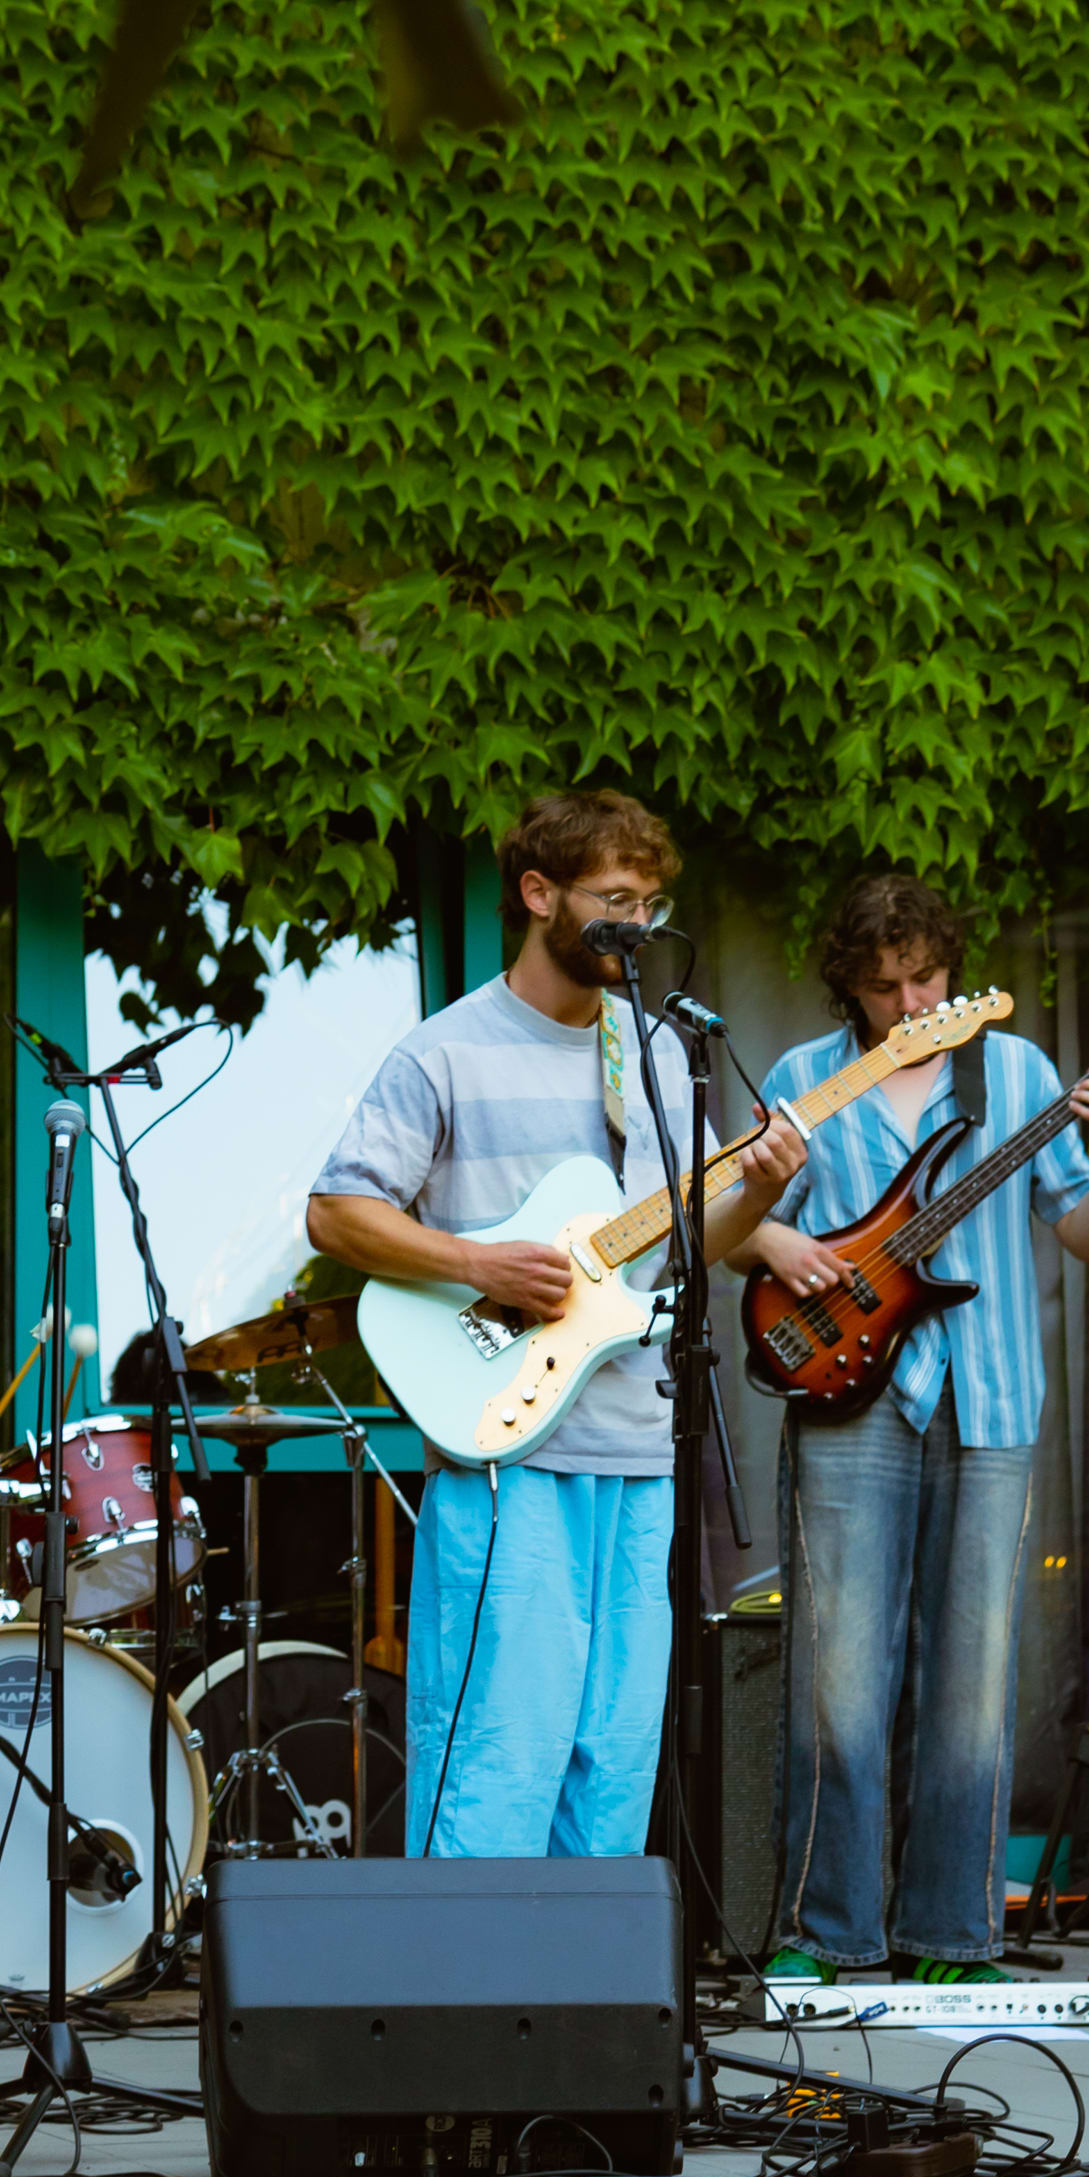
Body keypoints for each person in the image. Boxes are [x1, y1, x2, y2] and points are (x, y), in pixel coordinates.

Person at [308, 789, 807, 1858]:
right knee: (496, 1750)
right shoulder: (444, 1052)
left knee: (614, 1757)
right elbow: (336, 1212)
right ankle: (474, 1960)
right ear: (538, 894)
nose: (639, 923)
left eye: (650, 903)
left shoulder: (657, 1054)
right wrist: (475, 1261)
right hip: (505, 1446)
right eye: (614, 899)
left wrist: (760, 1189)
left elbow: (684, 1245)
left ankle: (589, 1963)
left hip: (641, 1445)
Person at [735, 875, 1089, 1986]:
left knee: (974, 1681)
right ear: (850, 988)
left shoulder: (1016, 1072)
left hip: (990, 1393)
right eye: (886, 987)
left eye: (927, 977)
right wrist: (775, 1244)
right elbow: (729, 1226)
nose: (913, 1002)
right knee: (837, 1675)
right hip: (847, 1391)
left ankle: (953, 1936)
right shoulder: (803, 1079)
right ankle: (824, 1932)